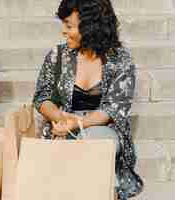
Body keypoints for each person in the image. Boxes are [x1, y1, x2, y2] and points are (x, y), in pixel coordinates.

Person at [33, 0, 143, 199]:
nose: (63, 32)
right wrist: (59, 117)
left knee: (93, 146)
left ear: (91, 27)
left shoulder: (120, 60)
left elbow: (113, 109)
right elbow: (42, 97)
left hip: (101, 127)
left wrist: (77, 124)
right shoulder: (57, 55)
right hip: (61, 125)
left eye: (69, 25)